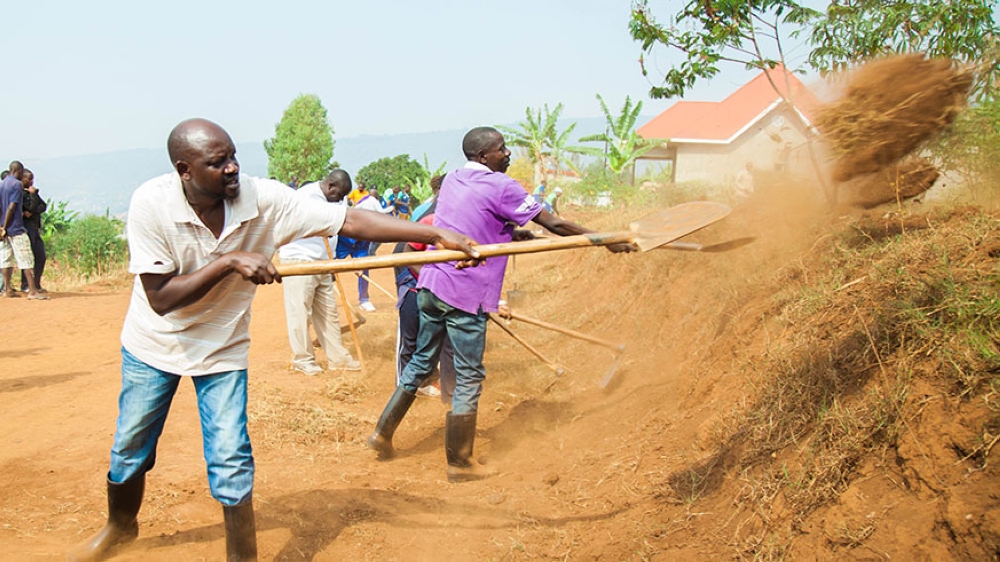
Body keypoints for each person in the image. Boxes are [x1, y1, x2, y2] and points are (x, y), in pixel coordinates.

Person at [68, 118, 480, 562]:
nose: (232, 169)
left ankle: (242, 557)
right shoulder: (151, 203)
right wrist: (229, 263)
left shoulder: (264, 200)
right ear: (184, 170)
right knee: (131, 445)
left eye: (233, 156)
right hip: (154, 343)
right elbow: (162, 298)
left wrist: (434, 233)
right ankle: (119, 526)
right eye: (217, 162)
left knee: (230, 455)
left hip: (222, 346)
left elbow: (352, 220)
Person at [366, 126, 635, 483]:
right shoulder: (502, 186)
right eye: (501, 149)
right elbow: (554, 222)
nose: (508, 154)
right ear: (484, 156)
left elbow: (470, 219)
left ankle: (382, 434)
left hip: (431, 284)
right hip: (465, 293)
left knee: (420, 362)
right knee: (468, 375)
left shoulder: (454, 180)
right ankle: (460, 464)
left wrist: (509, 233)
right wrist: (605, 240)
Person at [278, 171, 361, 376]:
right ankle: (303, 359)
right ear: (330, 185)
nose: (341, 200)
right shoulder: (306, 197)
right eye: (339, 195)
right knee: (300, 313)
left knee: (328, 313)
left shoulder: (331, 200)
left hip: (323, 262)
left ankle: (338, 358)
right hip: (300, 261)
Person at [393, 173, 456, 401]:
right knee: (411, 335)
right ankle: (404, 390)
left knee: (439, 338)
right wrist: (425, 280)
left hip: (442, 286)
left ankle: (437, 384)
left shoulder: (463, 217)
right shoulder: (426, 215)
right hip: (413, 278)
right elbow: (406, 251)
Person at [337, 185, 392, 311]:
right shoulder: (347, 217)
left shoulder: (373, 223)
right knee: (328, 269)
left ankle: (364, 300)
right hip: (343, 241)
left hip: (361, 245)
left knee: (364, 269)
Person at [0, 161, 47, 300]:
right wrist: (7, 225)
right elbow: (12, 207)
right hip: (15, 228)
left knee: (5, 259)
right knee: (26, 258)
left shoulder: (2, 184)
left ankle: (7, 289)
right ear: (19, 171)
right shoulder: (16, 185)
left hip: (4, 229)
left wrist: (1, 227)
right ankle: (32, 290)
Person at [20, 169, 47, 293]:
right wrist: (32, 196)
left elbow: (42, 206)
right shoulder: (21, 193)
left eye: (32, 179)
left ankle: (36, 284)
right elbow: (29, 208)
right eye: (29, 179)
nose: (31, 182)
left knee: (41, 256)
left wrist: (33, 196)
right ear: (22, 179)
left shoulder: (33, 192)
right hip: (27, 228)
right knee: (27, 259)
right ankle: (26, 285)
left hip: (36, 229)